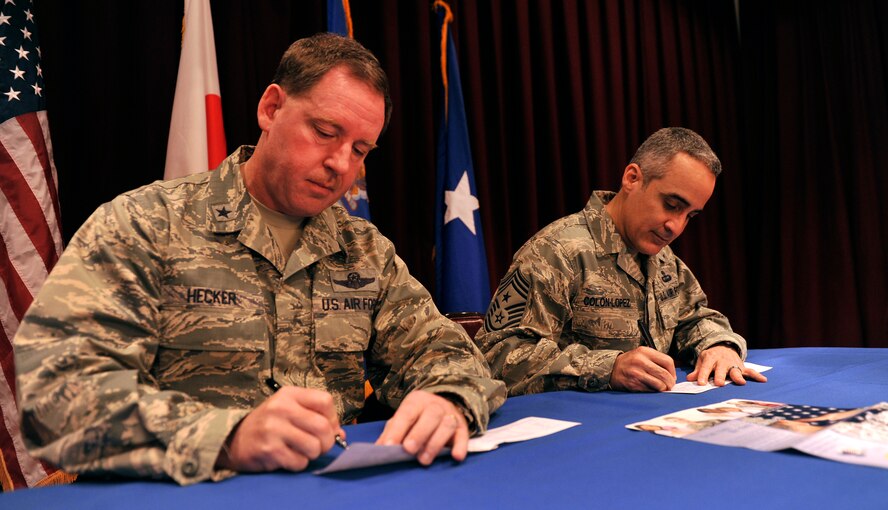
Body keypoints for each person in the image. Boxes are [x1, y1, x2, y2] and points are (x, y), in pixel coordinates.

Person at [14, 33, 505, 486]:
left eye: (360, 149)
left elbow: (449, 353)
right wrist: (227, 437)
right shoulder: (147, 225)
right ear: (272, 108)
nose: (341, 164)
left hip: (331, 492)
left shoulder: (363, 251)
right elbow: (54, 392)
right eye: (325, 131)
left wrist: (448, 397)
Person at [475, 127, 767, 395]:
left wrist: (719, 345)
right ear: (632, 178)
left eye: (689, 215)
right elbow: (498, 356)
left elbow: (692, 319)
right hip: (574, 430)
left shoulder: (661, 257)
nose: (676, 226)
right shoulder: (555, 252)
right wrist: (607, 367)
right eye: (672, 205)